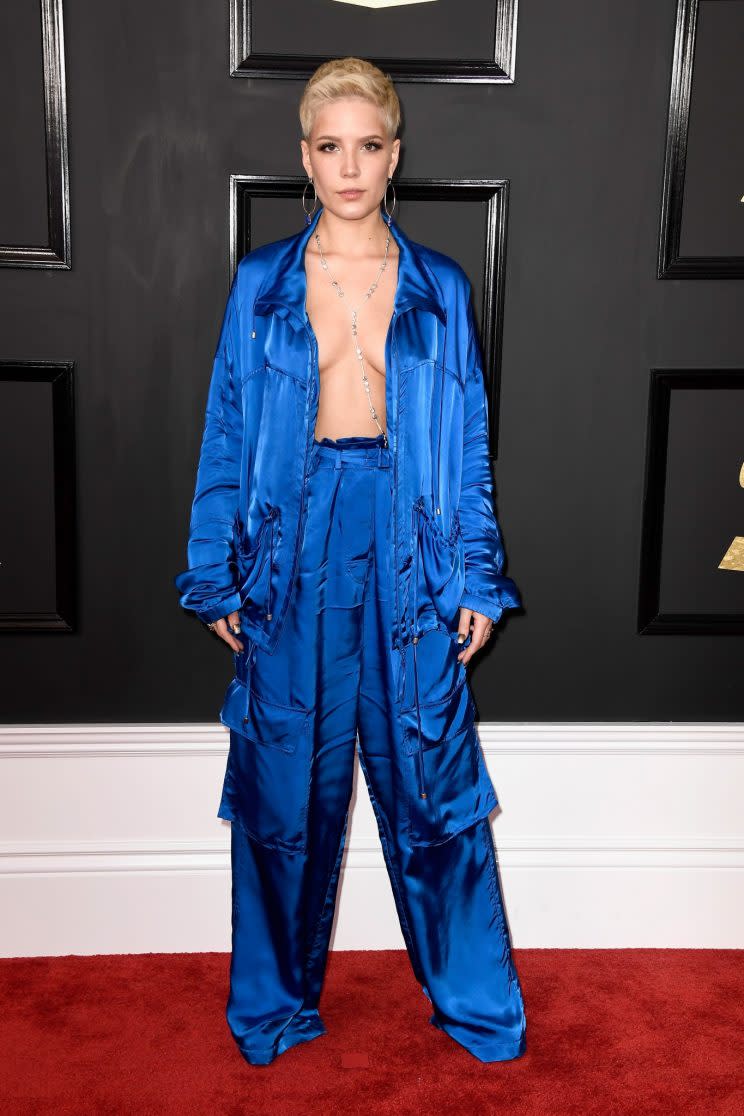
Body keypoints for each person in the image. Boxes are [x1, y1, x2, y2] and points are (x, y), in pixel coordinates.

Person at [174, 56, 527, 1066]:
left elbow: (466, 443)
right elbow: (228, 430)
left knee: (433, 780)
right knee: (284, 783)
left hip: (412, 542)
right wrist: (213, 571)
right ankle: (275, 1006)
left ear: (394, 154)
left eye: (368, 146)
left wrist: (473, 572)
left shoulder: (441, 288)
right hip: (292, 542)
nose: (350, 167)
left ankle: (475, 1005)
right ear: (305, 157)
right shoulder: (260, 286)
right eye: (330, 147)